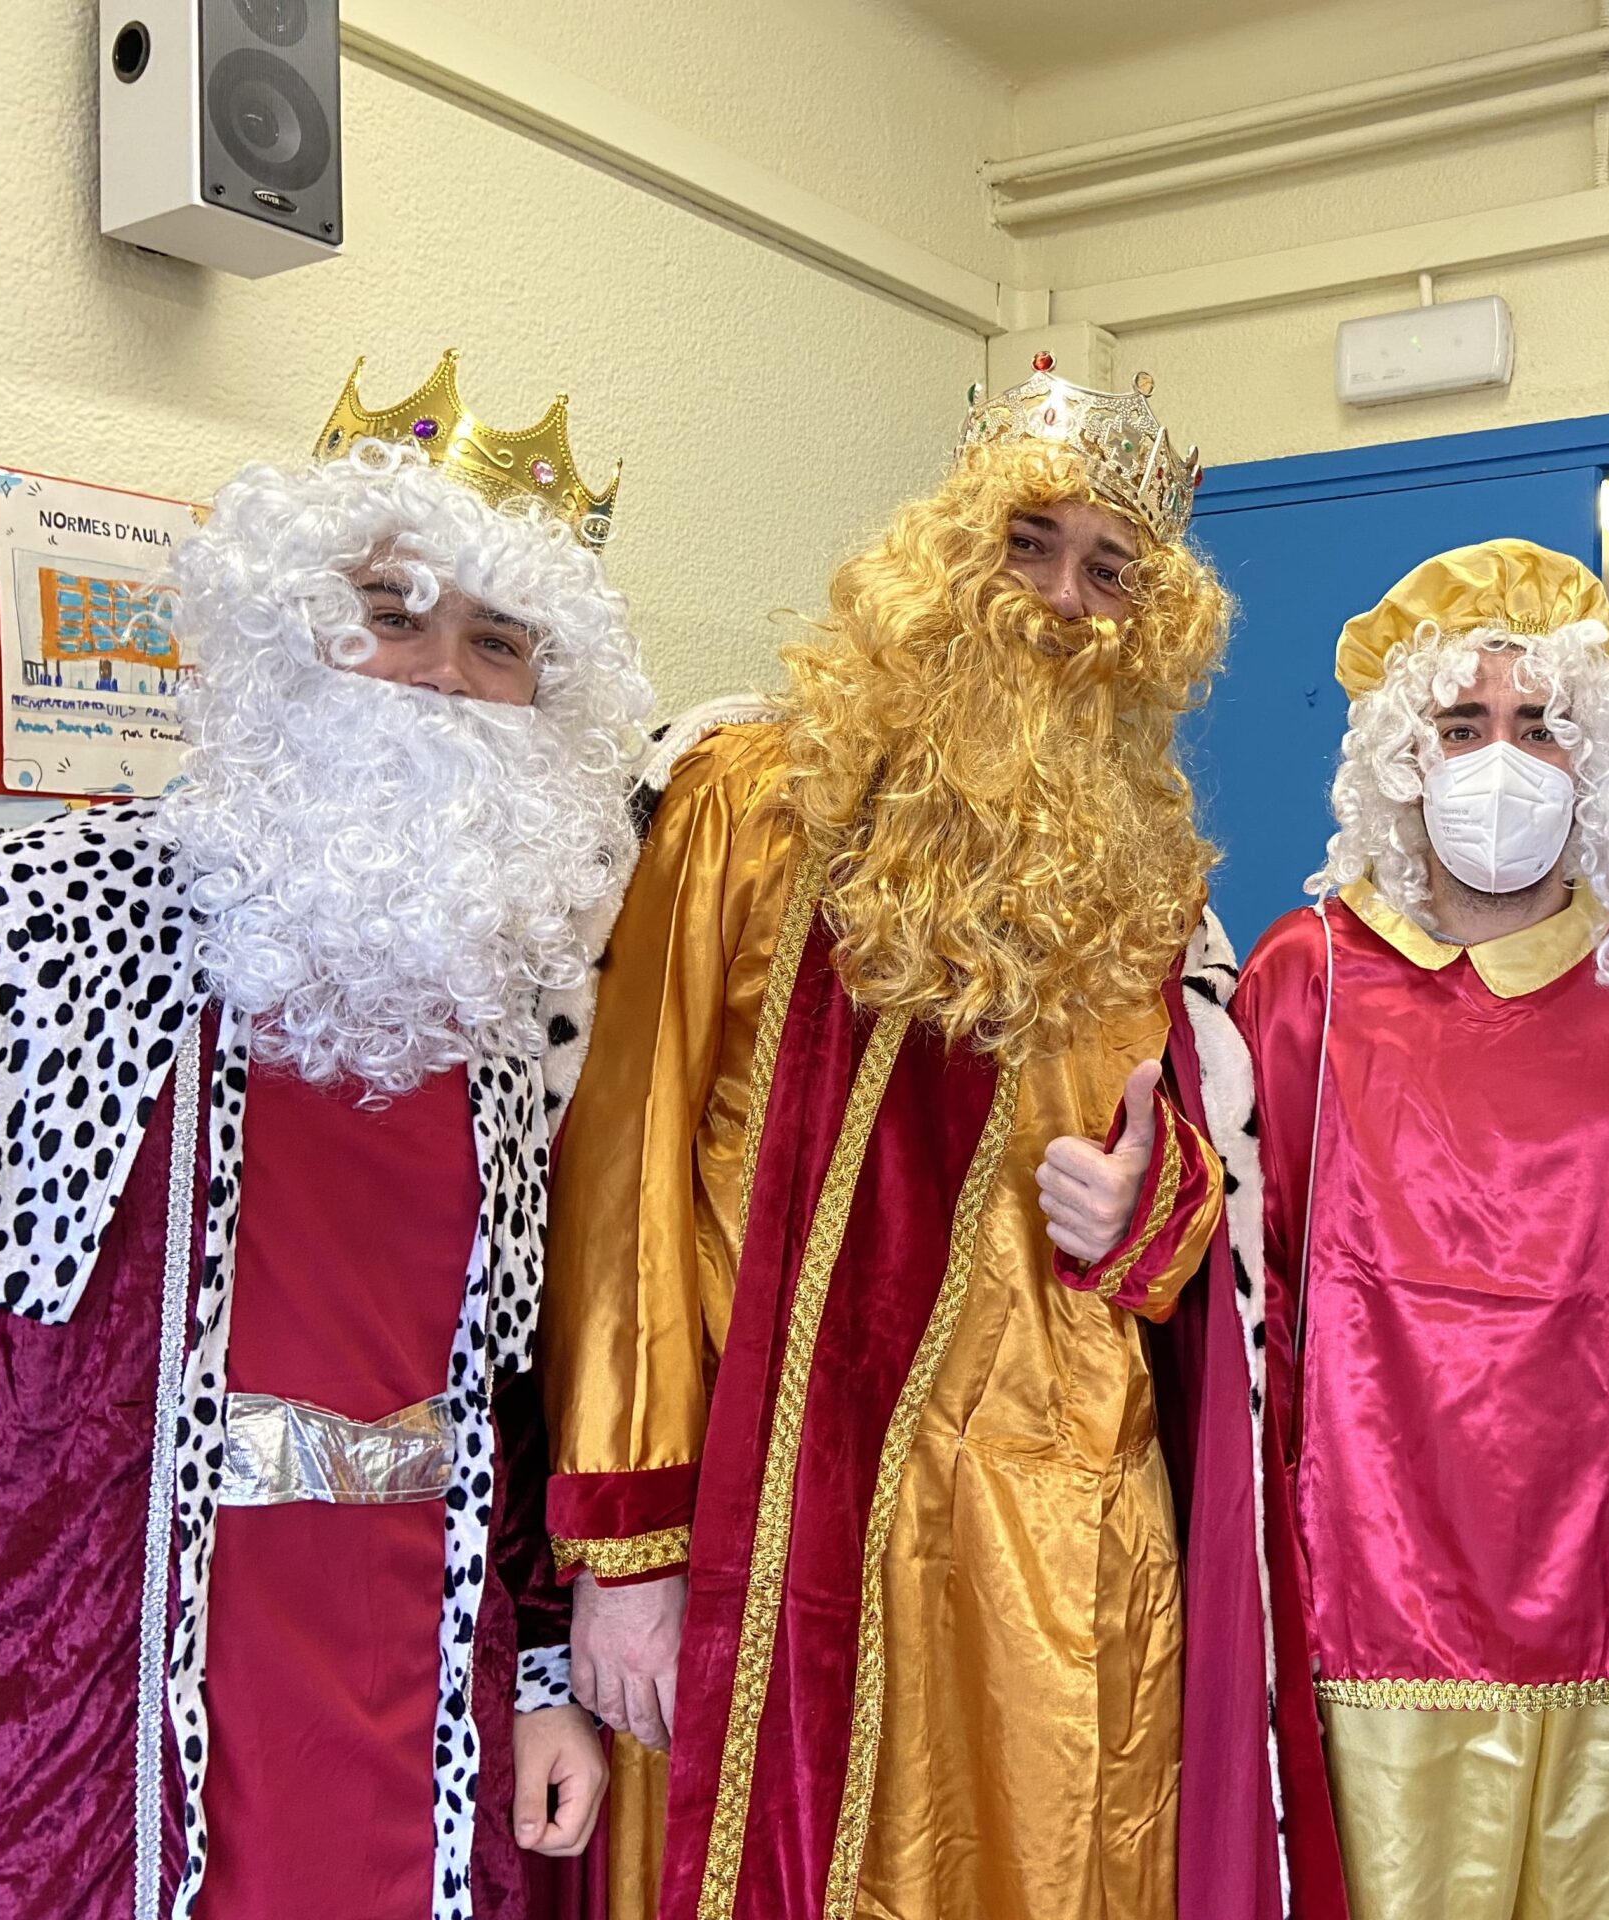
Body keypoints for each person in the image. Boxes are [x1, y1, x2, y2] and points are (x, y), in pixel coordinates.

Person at [541, 359, 1345, 1920]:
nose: (1061, 599)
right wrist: (625, 1550)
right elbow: (624, 1176)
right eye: (1029, 544)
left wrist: (1155, 1206)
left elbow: (1208, 1188)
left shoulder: (1147, 877)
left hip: (1048, 1529)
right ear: (948, 552)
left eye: (1108, 570)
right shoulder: (752, 801)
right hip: (777, 1521)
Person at [0, 352, 654, 1920]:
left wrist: (541, 1676)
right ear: (294, 628)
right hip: (90, 1709)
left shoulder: (504, 1009)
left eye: (500, 641)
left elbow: (515, 1397)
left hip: (416, 1685)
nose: (442, 675)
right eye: (395, 613)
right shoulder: (34, 927)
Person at [1235, 540, 1609, 1920]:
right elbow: (1249, 1312)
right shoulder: (1305, 980)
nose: (1499, 761)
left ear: (1597, 759)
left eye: (1539, 727)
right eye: (1463, 726)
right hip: (1368, 1604)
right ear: (1406, 756)